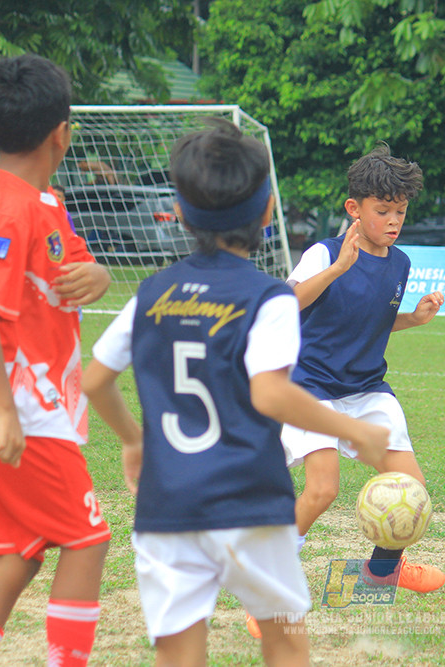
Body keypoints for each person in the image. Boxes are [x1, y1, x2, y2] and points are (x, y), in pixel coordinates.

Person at [81, 119, 389, 667]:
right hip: (251, 506)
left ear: (180, 213)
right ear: (268, 212)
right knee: (287, 639)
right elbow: (270, 394)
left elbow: (95, 380)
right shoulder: (267, 297)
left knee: (179, 654)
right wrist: (355, 430)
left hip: (167, 507)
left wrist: (133, 440)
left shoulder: (152, 292)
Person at [0, 54, 113, 666]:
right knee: (87, 541)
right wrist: (6, 411)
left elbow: (72, 265)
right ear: (62, 130)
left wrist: (98, 273)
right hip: (12, 409)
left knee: (21, 551)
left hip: (12, 407)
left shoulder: (40, 201)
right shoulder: (7, 209)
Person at [280, 144, 445, 599]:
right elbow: (286, 304)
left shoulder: (401, 263)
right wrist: (337, 269)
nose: (393, 221)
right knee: (322, 490)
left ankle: (381, 572)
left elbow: (371, 318)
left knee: (412, 488)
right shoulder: (324, 253)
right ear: (354, 208)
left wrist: (413, 318)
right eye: (383, 211)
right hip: (311, 388)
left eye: (401, 212)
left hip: (367, 389)